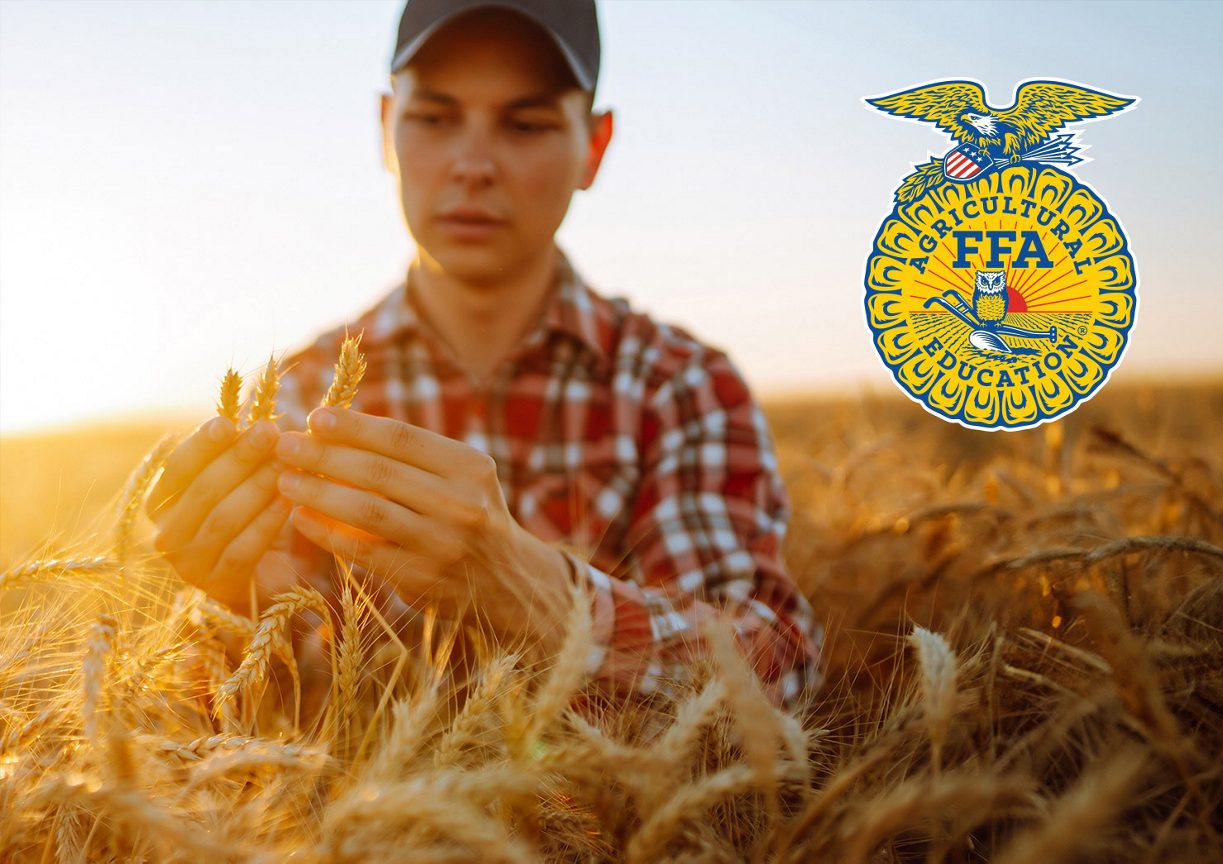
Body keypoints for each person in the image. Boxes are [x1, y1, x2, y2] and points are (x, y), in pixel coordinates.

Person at [146, 0, 821, 710]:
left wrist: (536, 593)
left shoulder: (681, 388)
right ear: (385, 129)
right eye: (434, 119)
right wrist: (235, 611)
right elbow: (235, 730)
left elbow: (777, 674)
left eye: (525, 125)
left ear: (594, 146)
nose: (473, 165)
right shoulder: (293, 399)